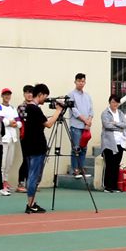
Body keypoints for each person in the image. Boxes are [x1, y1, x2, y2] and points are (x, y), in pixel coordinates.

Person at [21, 84, 62, 213]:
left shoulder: (28, 108)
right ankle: (30, 204)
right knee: (34, 176)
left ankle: (32, 202)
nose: (45, 99)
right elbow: (48, 124)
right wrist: (58, 111)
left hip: (28, 146)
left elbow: (40, 122)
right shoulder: (35, 109)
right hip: (37, 147)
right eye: (45, 96)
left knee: (31, 175)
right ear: (40, 95)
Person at [100, 94, 126, 192]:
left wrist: (116, 123)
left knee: (116, 164)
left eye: (117, 102)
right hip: (109, 142)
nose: (115, 104)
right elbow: (107, 125)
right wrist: (119, 128)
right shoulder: (105, 113)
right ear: (109, 102)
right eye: (113, 102)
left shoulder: (120, 113)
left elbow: (125, 124)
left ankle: (114, 186)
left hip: (120, 142)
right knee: (109, 164)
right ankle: (107, 186)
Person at [67, 73, 94, 178]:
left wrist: (89, 122)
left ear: (85, 82)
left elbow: (91, 111)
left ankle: (81, 168)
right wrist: (85, 121)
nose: (81, 83)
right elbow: (74, 111)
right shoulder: (71, 95)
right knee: (76, 148)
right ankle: (75, 170)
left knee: (84, 148)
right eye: (79, 81)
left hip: (86, 127)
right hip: (76, 126)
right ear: (75, 82)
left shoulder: (87, 96)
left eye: (83, 81)